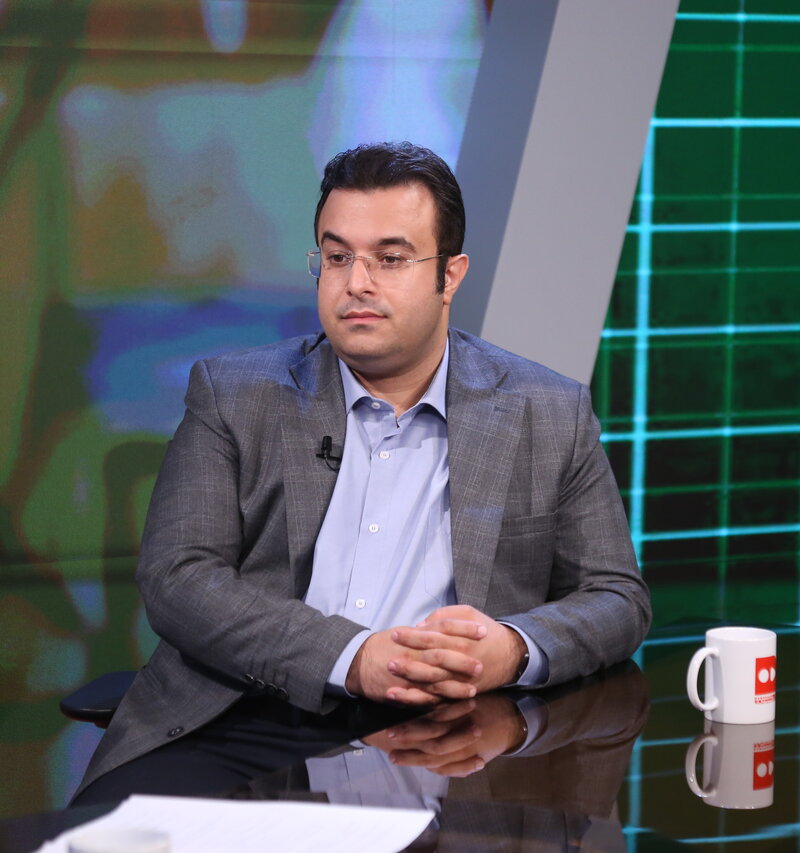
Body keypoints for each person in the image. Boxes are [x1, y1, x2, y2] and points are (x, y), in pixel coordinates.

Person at [72, 141, 650, 803]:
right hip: (248, 717)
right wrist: (352, 657)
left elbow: (616, 598)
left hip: (456, 736)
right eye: (338, 256)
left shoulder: (546, 410)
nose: (357, 284)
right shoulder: (234, 395)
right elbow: (179, 577)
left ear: (450, 275)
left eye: (391, 258)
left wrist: (513, 649)